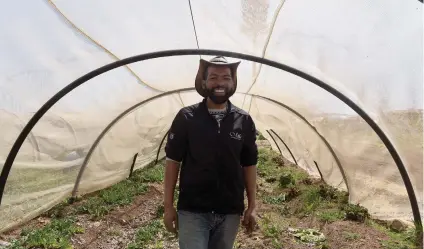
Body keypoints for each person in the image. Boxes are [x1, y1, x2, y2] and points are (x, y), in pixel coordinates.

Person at [163, 56, 258, 249]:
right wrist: (168, 207)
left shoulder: (244, 120)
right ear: (204, 82)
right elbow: (173, 162)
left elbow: (249, 165)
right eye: (213, 77)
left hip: (229, 211)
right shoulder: (187, 117)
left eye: (226, 77)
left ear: (233, 82)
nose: (220, 83)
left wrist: (252, 206)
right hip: (193, 210)